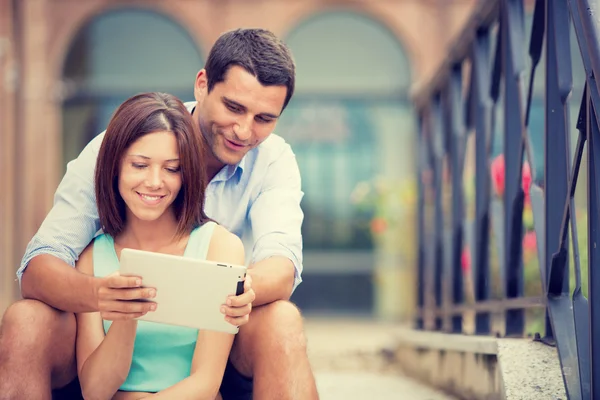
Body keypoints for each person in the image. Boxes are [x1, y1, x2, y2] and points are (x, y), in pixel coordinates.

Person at [0, 28, 318, 400]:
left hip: (222, 339)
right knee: (25, 321)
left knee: (283, 320)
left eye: (264, 118)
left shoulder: (273, 161)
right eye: (233, 107)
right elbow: (39, 267)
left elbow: (281, 265)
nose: (244, 130)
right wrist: (107, 296)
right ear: (202, 84)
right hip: (102, 341)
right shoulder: (117, 146)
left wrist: (218, 290)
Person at [77, 91, 245, 399]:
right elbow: (94, 390)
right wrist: (127, 314)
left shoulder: (220, 248)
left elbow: (206, 383)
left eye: (172, 168)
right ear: (115, 167)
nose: (155, 182)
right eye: (140, 165)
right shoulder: (91, 258)